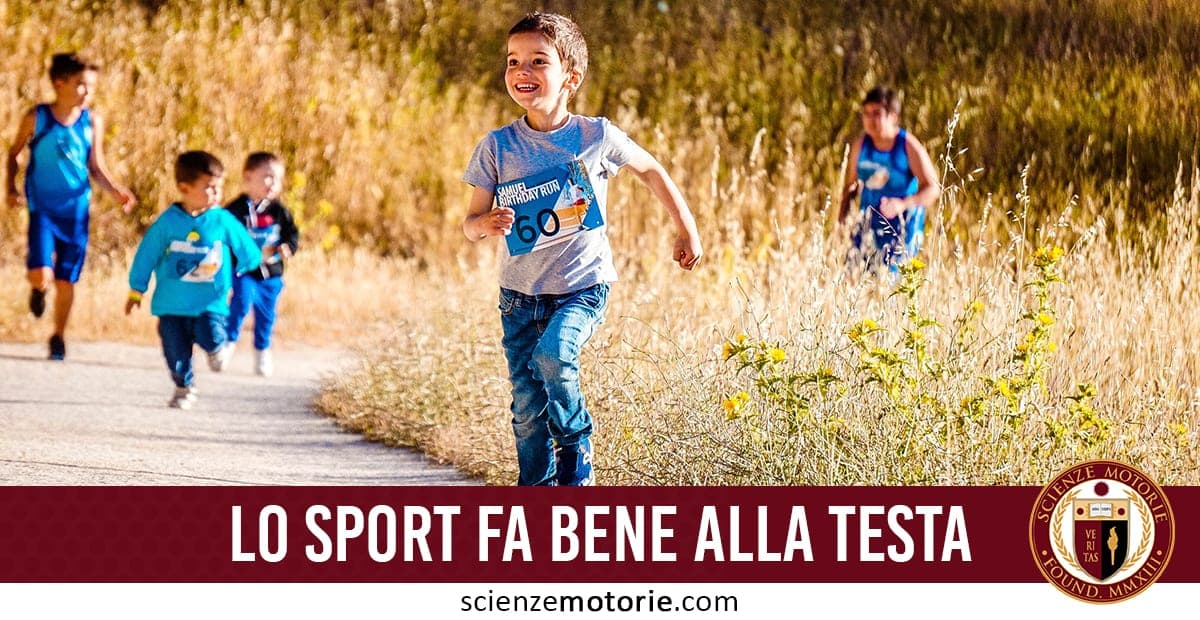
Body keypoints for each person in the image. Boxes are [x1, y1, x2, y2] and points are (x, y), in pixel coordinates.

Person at [462, 12, 703, 486]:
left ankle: (576, 453)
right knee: (528, 408)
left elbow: (652, 170)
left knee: (554, 355)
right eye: (513, 62)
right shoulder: (497, 147)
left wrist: (686, 228)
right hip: (519, 297)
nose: (522, 72)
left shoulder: (596, 136)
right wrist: (486, 224)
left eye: (538, 61)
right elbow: (469, 225)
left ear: (570, 77)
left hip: (582, 287)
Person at [5, 52, 137, 360]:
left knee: (67, 279)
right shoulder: (38, 117)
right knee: (41, 273)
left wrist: (116, 191)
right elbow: (13, 154)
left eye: (91, 86)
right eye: (81, 85)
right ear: (58, 83)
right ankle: (38, 290)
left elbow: (96, 165)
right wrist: (10, 189)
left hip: (76, 212)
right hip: (42, 209)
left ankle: (58, 336)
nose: (88, 92)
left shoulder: (92, 121)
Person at [125, 151, 261, 409]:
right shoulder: (167, 223)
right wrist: (136, 291)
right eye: (209, 187)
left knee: (210, 334)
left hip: (210, 302)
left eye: (219, 187)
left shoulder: (221, 219)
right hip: (171, 304)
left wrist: (246, 266)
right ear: (184, 188)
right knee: (174, 351)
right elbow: (146, 256)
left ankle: (217, 347)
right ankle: (184, 387)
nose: (216, 194)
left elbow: (246, 249)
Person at [838, 85, 940, 274]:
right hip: (868, 225)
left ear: (892, 116)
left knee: (888, 287)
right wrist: (841, 221)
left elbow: (933, 188)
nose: (870, 120)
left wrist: (903, 204)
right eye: (866, 113)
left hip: (902, 230)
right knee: (853, 278)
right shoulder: (861, 146)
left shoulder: (908, 146)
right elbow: (850, 187)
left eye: (877, 113)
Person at [223, 152, 298, 377]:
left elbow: (291, 233)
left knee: (267, 315)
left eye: (277, 179)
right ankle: (227, 345)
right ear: (248, 177)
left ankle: (262, 351)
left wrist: (288, 246)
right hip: (244, 271)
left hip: (271, 273)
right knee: (240, 303)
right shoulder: (235, 210)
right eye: (267, 177)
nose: (272, 184)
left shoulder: (279, 211)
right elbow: (223, 235)